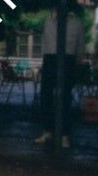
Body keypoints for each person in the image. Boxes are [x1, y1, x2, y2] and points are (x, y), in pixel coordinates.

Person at [35, 9, 85, 148]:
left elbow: (80, 45)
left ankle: (65, 133)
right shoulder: (48, 23)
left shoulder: (76, 24)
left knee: (65, 97)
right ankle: (48, 129)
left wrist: (78, 63)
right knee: (46, 95)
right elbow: (46, 42)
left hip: (68, 58)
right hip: (51, 58)